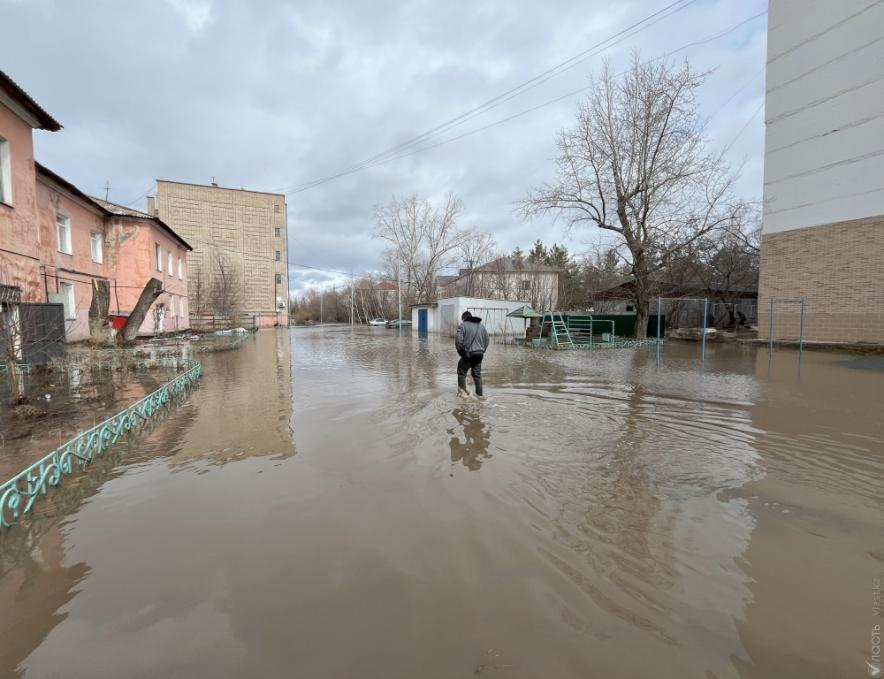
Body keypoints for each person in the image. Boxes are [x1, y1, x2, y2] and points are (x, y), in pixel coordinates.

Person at [455, 311, 489, 397]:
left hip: (468, 355)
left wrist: (461, 352)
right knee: (477, 375)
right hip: (479, 355)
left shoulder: (462, 326)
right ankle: (480, 396)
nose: (462, 321)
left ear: (464, 318)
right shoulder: (482, 326)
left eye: (462, 319)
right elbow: (487, 340)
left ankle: (462, 394)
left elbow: (458, 341)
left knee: (461, 372)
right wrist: (482, 351)